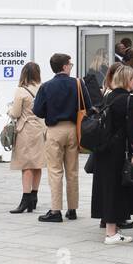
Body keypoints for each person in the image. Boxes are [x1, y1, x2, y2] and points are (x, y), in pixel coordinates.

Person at [87, 64, 133, 245]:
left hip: (104, 150)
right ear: (127, 80)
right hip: (120, 150)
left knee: (107, 187)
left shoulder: (109, 97)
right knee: (116, 189)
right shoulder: (129, 101)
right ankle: (111, 233)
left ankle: (112, 228)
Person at [32, 53, 83, 223]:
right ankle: (72, 208)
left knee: (55, 171)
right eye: (70, 64)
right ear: (65, 66)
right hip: (73, 129)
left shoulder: (46, 86)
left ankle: (55, 210)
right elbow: (87, 106)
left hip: (54, 129)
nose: (71, 66)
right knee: (72, 171)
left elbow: (38, 110)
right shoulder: (78, 84)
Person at [6, 62, 46, 214]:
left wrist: (9, 109)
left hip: (26, 130)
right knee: (37, 164)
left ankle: (25, 199)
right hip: (40, 129)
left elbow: (15, 113)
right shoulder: (42, 88)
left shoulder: (20, 91)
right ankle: (34, 197)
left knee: (26, 165)